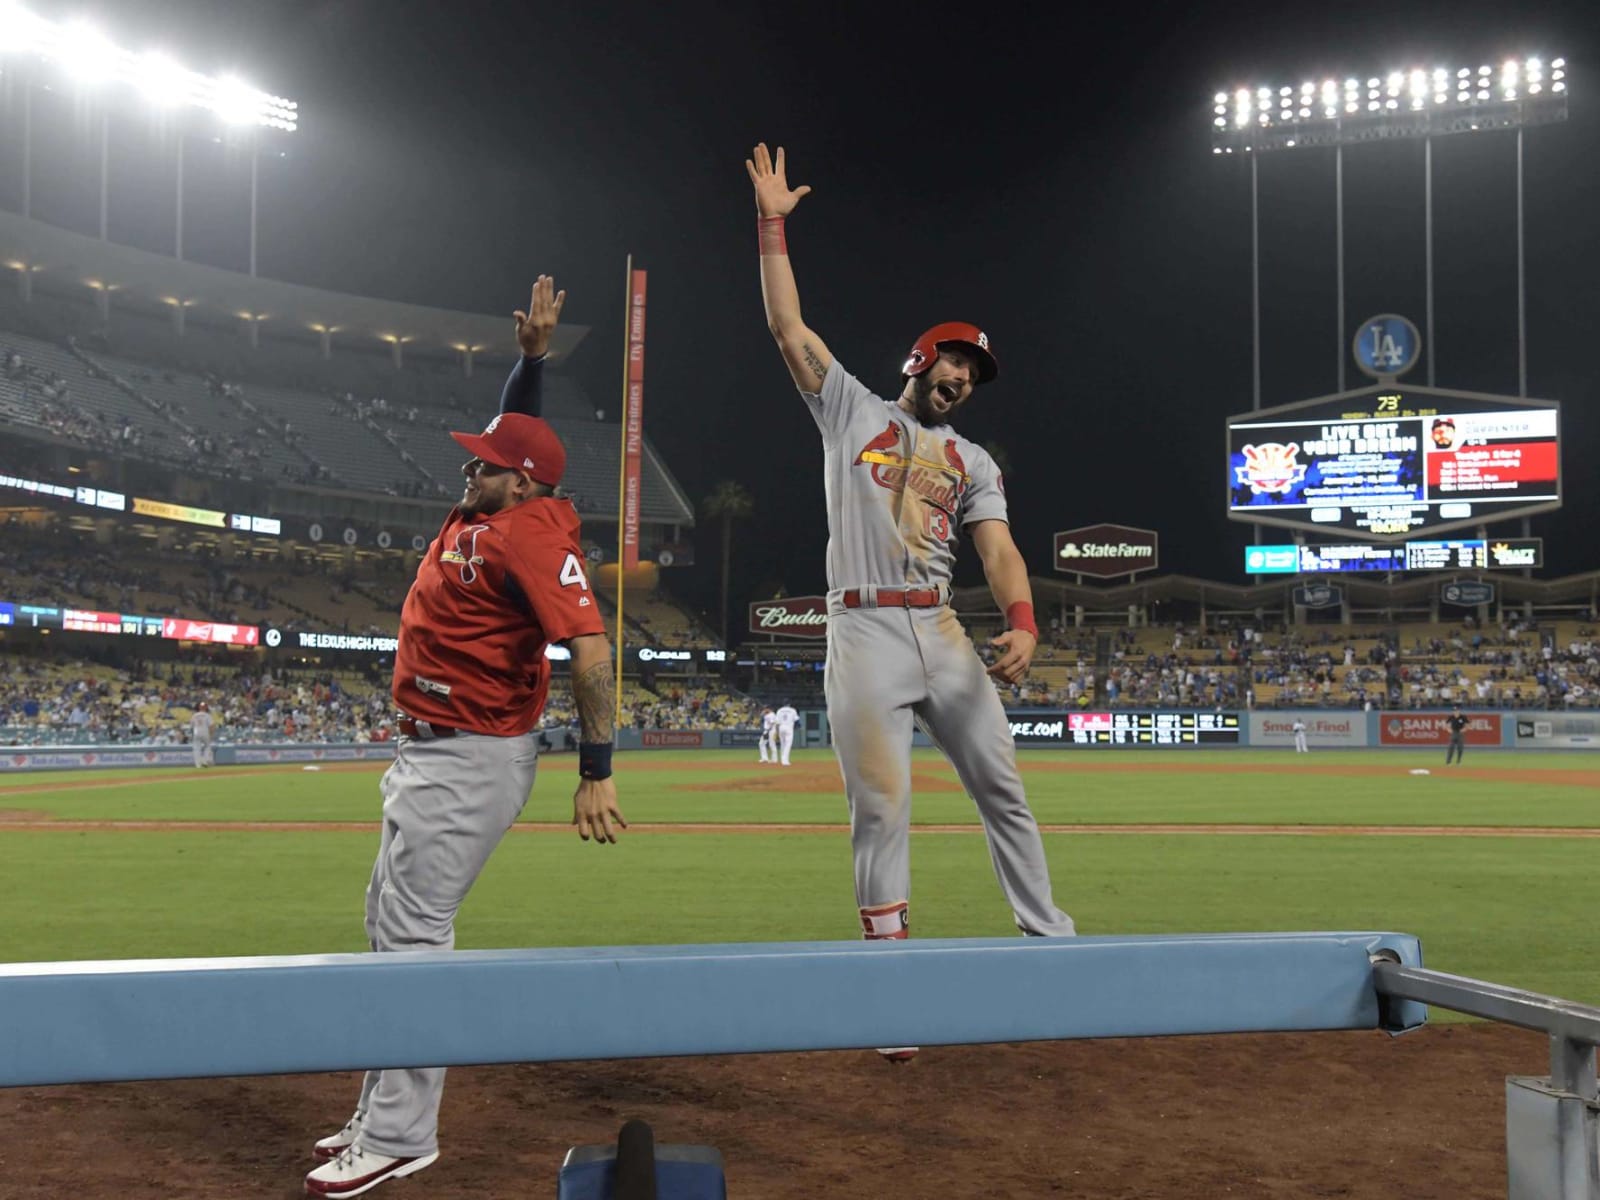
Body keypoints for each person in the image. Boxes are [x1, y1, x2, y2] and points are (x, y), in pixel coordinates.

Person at [747, 143, 1075, 1064]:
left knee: (1003, 789)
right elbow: (786, 326)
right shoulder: (850, 408)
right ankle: (890, 982)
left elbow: (1000, 550)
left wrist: (1020, 622)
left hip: (939, 626)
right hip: (860, 625)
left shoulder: (973, 461)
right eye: (955, 362)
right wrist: (772, 223)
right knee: (881, 807)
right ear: (922, 358)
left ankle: (1049, 944)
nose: (963, 379)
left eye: (975, 374)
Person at [306, 278, 627, 1199]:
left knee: (412, 936)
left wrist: (596, 770)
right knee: (387, 927)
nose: (468, 470)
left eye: (486, 465)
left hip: (472, 754)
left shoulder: (530, 531)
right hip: (429, 749)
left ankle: (404, 1135)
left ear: (521, 483)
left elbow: (593, 651)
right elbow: (516, 436)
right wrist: (531, 362)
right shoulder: (496, 506)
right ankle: (378, 1112)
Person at [774, 699, 799, 765]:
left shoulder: (779, 710)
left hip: (781, 727)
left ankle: (783, 759)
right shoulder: (792, 710)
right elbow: (797, 721)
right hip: (789, 728)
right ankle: (785, 760)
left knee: (783, 744)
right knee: (788, 744)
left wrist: (777, 732)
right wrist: (798, 727)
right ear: (789, 704)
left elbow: (777, 723)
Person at [190, 701, 215, 768]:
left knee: (196, 748)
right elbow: (211, 726)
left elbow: (192, 726)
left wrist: (193, 735)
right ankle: (205, 761)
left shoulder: (194, 715)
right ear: (205, 708)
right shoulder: (207, 715)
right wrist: (211, 734)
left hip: (196, 732)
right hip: (205, 732)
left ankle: (198, 765)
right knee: (207, 746)